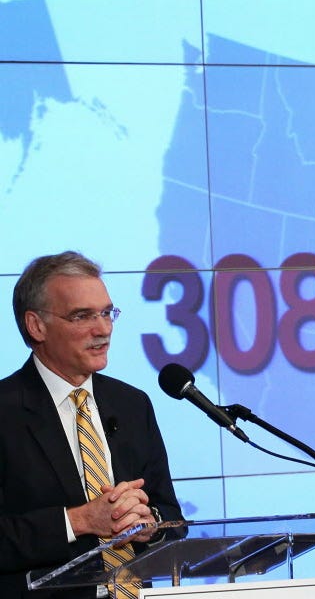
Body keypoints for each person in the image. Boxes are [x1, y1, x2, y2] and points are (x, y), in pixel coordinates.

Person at [0, 251, 183, 598]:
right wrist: (78, 521)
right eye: (82, 316)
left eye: (106, 313)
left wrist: (149, 523)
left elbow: (171, 514)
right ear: (36, 325)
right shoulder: (6, 411)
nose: (103, 329)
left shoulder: (132, 404)